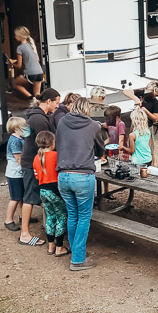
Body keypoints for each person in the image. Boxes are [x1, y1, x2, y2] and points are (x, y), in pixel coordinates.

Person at [56, 96, 105, 271]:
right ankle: (77, 259)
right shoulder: (93, 126)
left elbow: (59, 143)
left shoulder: (61, 122)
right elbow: (100, 149)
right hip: (83, 175)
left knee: (73, 214)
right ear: (87, 109)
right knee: (84, 217)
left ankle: (76, 252)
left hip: (63, 175)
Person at [19, 87, 61, 246]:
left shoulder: (37, 115)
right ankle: (24, 234)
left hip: (30, 160)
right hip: (31, 162)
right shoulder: (40, 120)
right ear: (48, 101)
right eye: (56, 102)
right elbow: (48, 142)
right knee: (29, 197)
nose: (57, 106)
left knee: (31, 196)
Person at [33, 131, 69, 257]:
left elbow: (37, 176)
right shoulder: (56, 155)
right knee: (61, 217)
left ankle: (50, 245)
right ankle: (59, 247)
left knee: (50, 217)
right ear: (52, 142)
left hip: (43, 191)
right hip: (55, 190)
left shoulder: (37, 157)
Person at [124, 81, 158, 159]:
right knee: (133, 148)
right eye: (152, 94)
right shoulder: (141, 93)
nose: (153, 97)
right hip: (135, 126)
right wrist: (136, 99)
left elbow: (155, 118)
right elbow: (125, 91)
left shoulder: (155, 102)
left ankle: (150, 167)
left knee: (149, 150)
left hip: (147, 127)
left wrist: (146, 111)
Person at [3, 116, 28, 232]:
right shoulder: (15, 141)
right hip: (14, 174)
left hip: (19, 174)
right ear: (17, 128)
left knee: (21, 196)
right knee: (15, 198)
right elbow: (19, 159)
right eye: (24, 126)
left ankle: (23, 215)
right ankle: (8, 220)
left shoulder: (20, 139)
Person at [10, 26, 44, 99]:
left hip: (30, 73)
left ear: (20, 36)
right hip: (40, 72)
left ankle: (30, 97)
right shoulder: (32, 45)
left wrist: (11, 64)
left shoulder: (20, 47)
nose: (15, 36)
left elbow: (19, 66)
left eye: (16, 35)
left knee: (15, 84)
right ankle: (36, 101)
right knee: (37, 94)